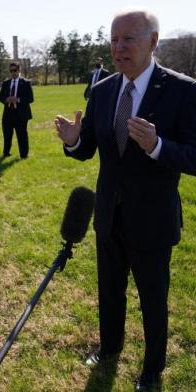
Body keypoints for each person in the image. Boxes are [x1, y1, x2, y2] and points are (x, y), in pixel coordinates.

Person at [54, 9, 196, 391]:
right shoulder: (102, 90)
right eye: (114, 40)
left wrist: (158, 146)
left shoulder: (183, 90)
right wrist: (74, 141)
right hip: (108, 215)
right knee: (109, 290)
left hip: (152, 219)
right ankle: (110, 347)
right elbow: (90, 150)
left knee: (153, 299)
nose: (119, 48)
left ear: (153, 42)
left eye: (128, 39)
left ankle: (152, 369)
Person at [0, 62, 34, 159]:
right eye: (11, 71)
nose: (13, 73)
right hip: (8, 113)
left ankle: (24, 155)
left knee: (22, 135)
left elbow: (30, 98)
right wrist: (6, 99)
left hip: (21, 114)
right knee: (7, 135)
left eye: (15, 70)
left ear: (19, 70)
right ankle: (6, 153)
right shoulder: (6, 83)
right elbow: (0, 97)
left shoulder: (26, 83)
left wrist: (17, 99)